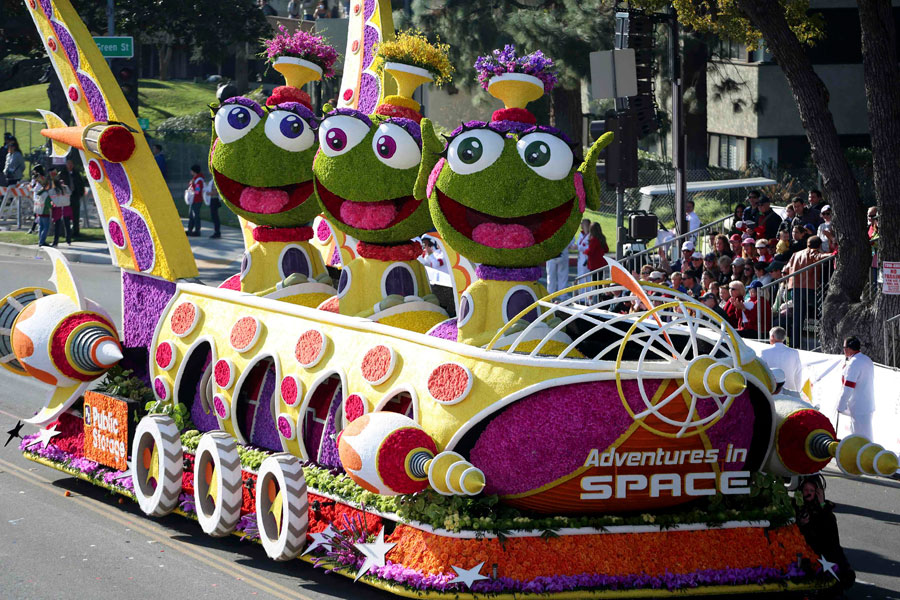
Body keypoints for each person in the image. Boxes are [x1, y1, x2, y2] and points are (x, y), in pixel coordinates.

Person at [795, 475, 855, 591]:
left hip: (824, 550)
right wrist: (800, 523)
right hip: (804, 551)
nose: (808, 493)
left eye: (812, 491)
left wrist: (822, 504)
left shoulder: (825, 510)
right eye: (806, 490)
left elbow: (831, 532)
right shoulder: (796, 506)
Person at [785, 236, 826, 349]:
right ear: (819, 245)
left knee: (797, 317)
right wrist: (834, 253)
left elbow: (785, 269)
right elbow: (820, 257)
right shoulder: (813, 252)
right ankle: (826, 337)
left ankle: (794, 345)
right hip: (809, 287)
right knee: (823, 311)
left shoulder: (796, 254)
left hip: (794, 287)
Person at [837, 336, 875, 439]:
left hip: (858, 407)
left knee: (860, 440)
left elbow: (848, 387)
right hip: (867, 405)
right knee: (865, 437)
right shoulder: (866, 359)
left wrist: (840, 405)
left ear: (849, 348)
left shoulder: (854, 363)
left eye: (844, 347)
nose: (843, 350)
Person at [759, 326, 803, 392]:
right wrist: (798, 391)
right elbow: (798, 375)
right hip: (790, 391)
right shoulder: (794, 353)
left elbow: (761, 373)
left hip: (772, 391)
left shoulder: (764, 353)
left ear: (772, 337)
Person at [48, 166, 72, 246]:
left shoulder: (62, 188)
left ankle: (57, 241)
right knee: (64, 224)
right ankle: (67, 240)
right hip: (64, 207)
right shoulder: (63, 188)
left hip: (61, 208)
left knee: (60, 225)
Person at [31, 166, 54, 247]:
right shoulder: (46, 194)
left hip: (39, 212)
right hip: (45, 212)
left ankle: (40, 240)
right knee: (46, 227)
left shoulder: (38, 194)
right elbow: (49, 204)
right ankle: (42, 241)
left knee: (40, 227)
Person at [61, 158, 85, 237]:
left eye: (71, 164)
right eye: (68, 164)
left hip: (75, 195)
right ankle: (66, 232)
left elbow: (81, 183)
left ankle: (76, 231)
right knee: (66, 214)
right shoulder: (62, 173)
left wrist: (80, 193)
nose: (70, 165)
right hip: (66, 197)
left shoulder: (76, 173)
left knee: (76, 214)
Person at [185, 164, 205, 237]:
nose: (190, 172)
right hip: (193, 200)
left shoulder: (199, 180)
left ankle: (197, 231)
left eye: (191, 170)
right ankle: (190, 230)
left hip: (197, 200)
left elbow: (197, 191)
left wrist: (192, 184)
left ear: (194, 171)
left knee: (196, 216)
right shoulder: (195, 178)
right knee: (191, 215)